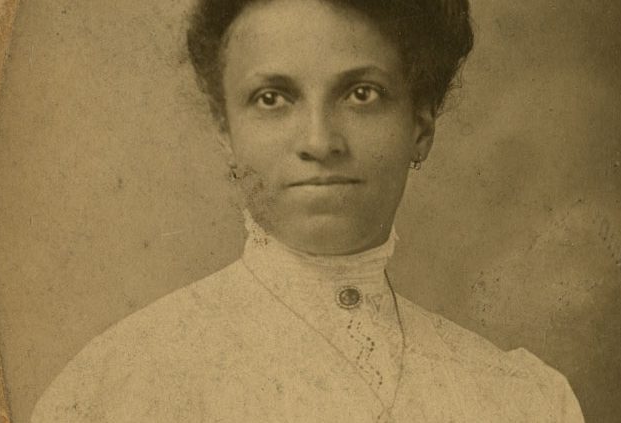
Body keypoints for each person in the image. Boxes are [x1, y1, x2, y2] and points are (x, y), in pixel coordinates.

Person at [32, 0, 584, 421]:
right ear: (226, 130)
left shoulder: (519, 400)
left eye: (361, 94)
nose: (319, 141)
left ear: (420, 125)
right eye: (272, 98)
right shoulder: (117, 387)